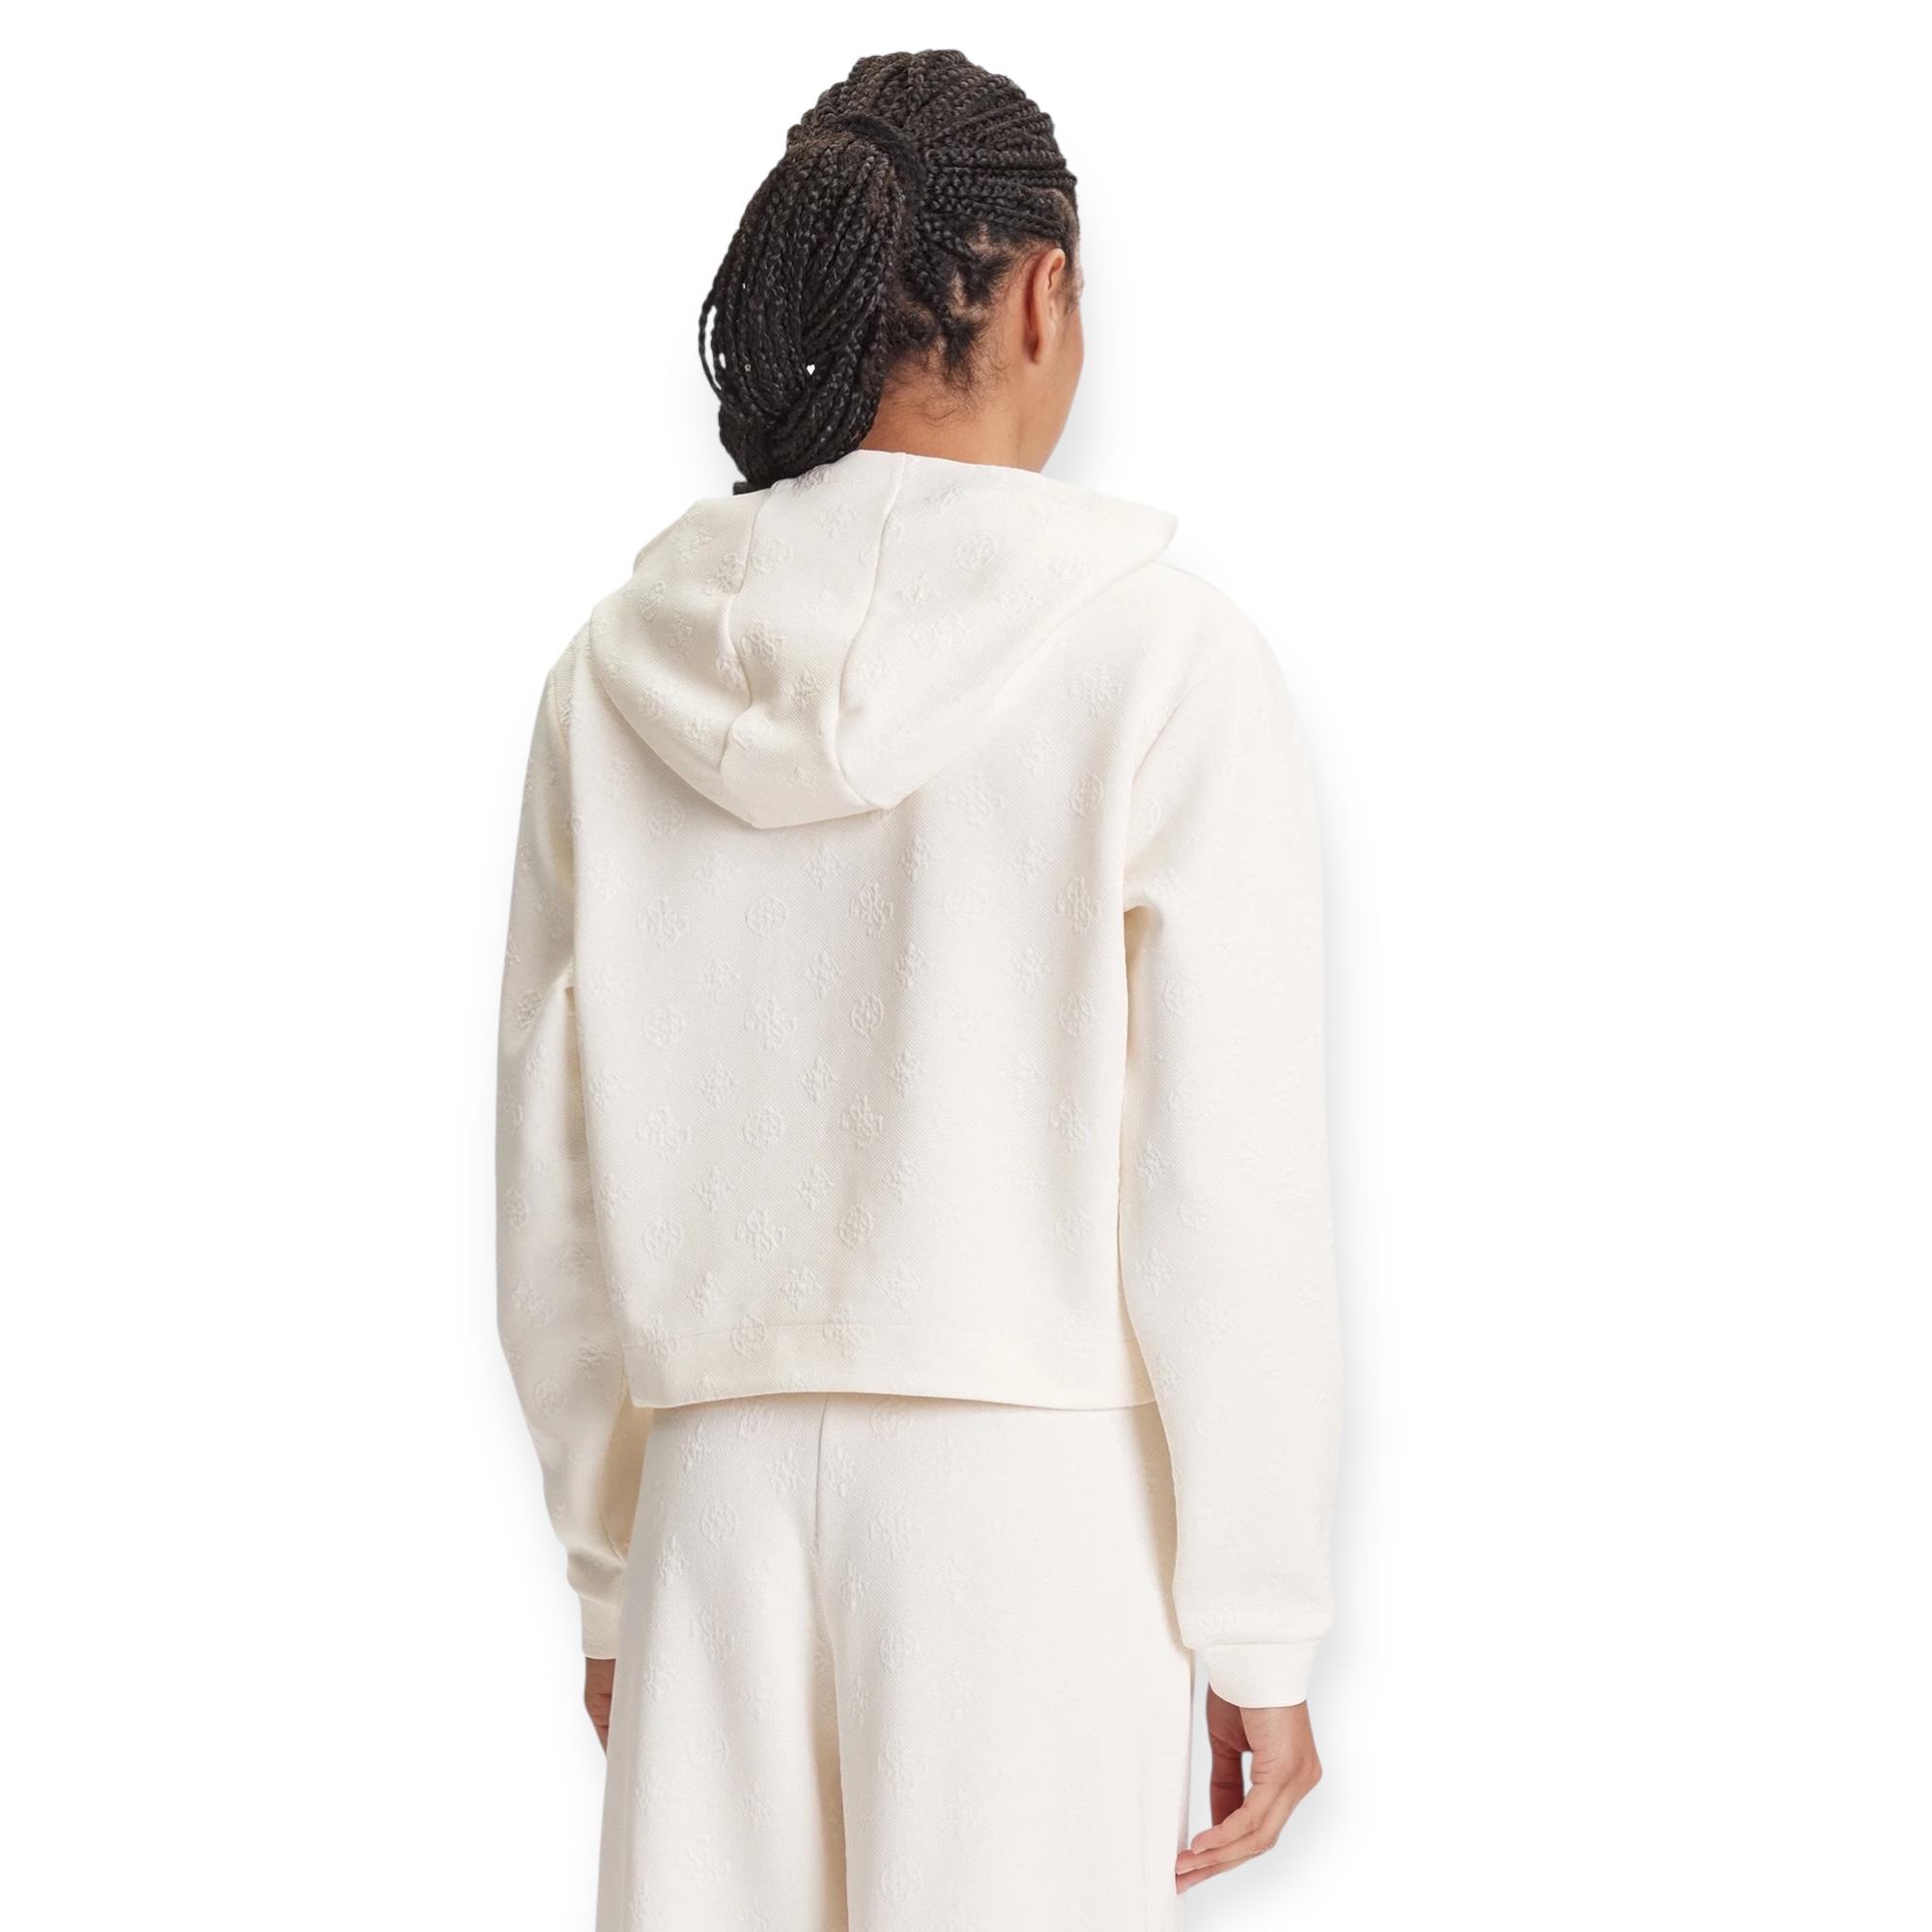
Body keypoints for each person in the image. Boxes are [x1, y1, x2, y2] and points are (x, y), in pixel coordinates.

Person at [495, 46, 1343, 1929]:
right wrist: (1258, 1618)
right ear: (1041, 294)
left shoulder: (612, 675)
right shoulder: (1157, 660)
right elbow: (1222, 1179)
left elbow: (550, 1178)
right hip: (1031, 1513)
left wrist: (614, 1575)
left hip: (711, 1496)